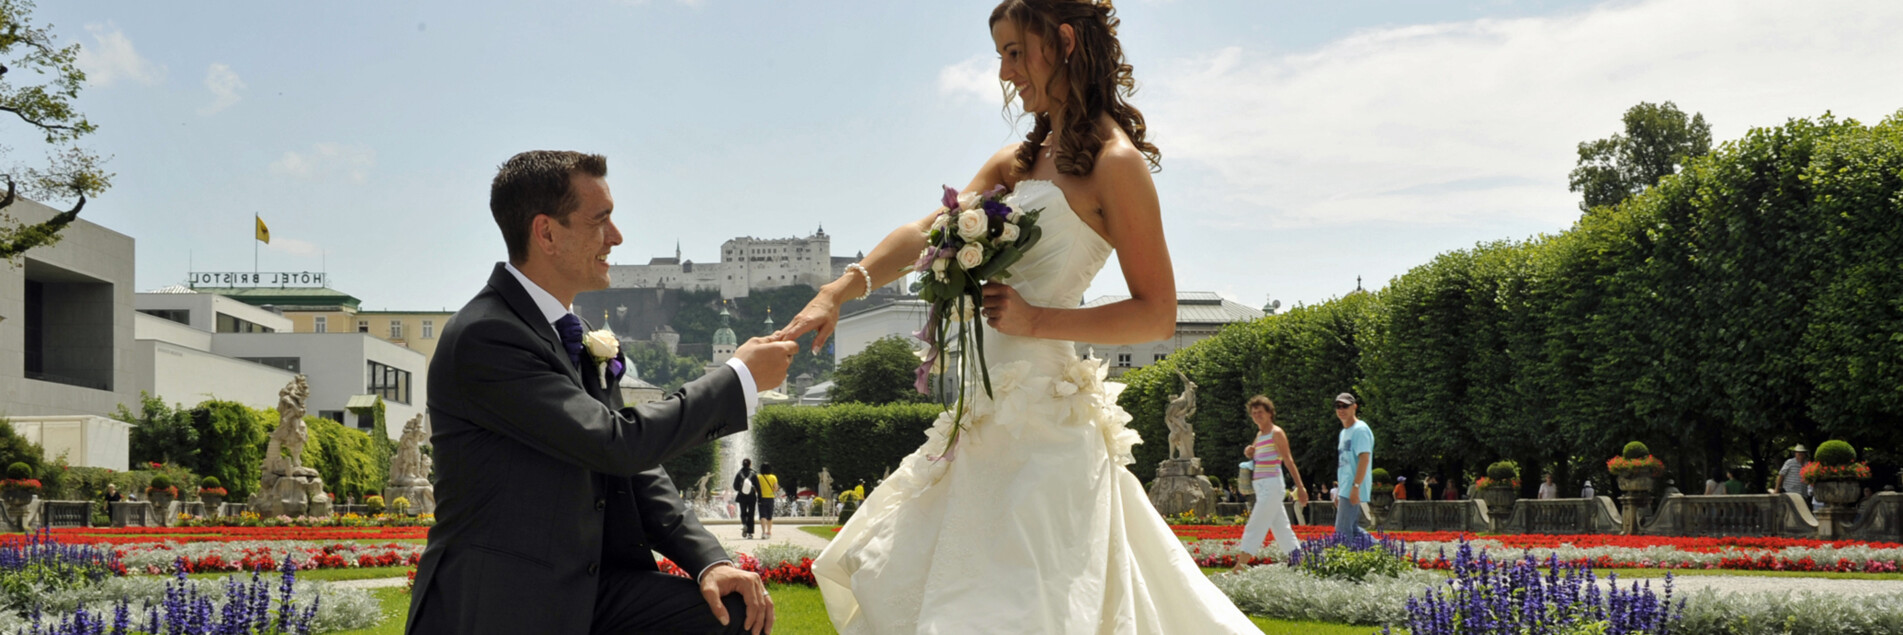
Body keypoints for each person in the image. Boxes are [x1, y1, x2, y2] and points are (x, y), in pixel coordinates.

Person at [778, 2, 1258, 631]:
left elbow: (1158, 313)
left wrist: (1036, 322)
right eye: (999, 56)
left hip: (1050, 433)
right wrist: (841, 289)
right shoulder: (1015, 163)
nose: (1005, 74)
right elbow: (924, 231)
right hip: (979, 418)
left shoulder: (1117, 166)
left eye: (1013, 52)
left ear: (1062, 42)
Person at [405, 151, 798, 635]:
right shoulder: (487, 336)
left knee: (731, 617)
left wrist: (709, 562)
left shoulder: (573, 332)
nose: (616, 237)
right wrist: (738, 377)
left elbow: (634, 469)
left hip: (588, 588)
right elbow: (613, 442)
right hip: (505, 598)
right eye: (601, 220)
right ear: (546, 232)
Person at [1232, 395, 1306, 572]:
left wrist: (1301, 487)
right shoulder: (1260, 435)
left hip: (1272, 485)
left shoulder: (1276, 433)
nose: (1257, 415)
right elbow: (1256, 455)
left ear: (1270, 413)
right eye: (1254, 413)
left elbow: (1288, 461)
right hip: (1262, 486)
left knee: (1254, 525)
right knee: (1281, 528)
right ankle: (1299, 560)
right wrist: (1249, 451)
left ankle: (1239, 567)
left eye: (1260, 412)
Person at [1333, 393, 1375, 541]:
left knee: (1342, 532)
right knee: (1352, 529)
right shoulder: (1344, 432)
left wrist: (1356, 486)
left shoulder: (1360, 430)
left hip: (1353, 486)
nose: (1341, 409)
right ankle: (1388, 552)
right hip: (1346, 487)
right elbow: (1344, 465)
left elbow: (1364, 459)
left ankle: (1344, 561)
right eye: (1338, 406)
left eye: (1345, 406)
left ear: (1354, 407)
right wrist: (1339, 490)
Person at [733, 458, 760, 540]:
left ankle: (744, 524)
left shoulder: (739, 474)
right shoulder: (754, 474)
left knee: (743, 512)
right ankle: (750, 533)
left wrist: (741, 489)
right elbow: (758, 487)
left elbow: (735, 487)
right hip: (751, 496)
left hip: (742, 496)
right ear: (750, 464)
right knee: (751, 514)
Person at [756, 463, 780, 540]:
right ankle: (769, 532)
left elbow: (756, 488)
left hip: (761, 498)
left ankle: (763, 532)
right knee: (769, 516)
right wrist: (771, 491)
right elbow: (776, 488)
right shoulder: (773, 477)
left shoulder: (759, 477)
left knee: (763, 515)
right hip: (770, 498)